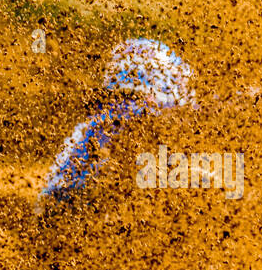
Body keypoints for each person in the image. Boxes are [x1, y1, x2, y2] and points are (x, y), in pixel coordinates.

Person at [38, 39, 196, 206]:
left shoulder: (93, 131)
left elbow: (47, 203)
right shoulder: (93, 137)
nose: (125, 111)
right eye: (122, 103)